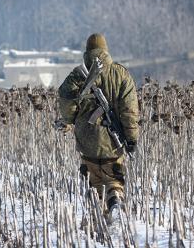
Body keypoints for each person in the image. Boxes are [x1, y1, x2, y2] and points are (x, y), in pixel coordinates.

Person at [58, 33, 139, 216]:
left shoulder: (75, 76)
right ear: (105, 50)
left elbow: (66, 105)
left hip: (87, 141)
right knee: (114, 180)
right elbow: (130, 111)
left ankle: (97, 218)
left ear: (87, 51)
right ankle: (115, 202)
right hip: (113, 142)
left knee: (93, 181)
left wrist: (70, 120)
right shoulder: (121, 74)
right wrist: (132, 139)